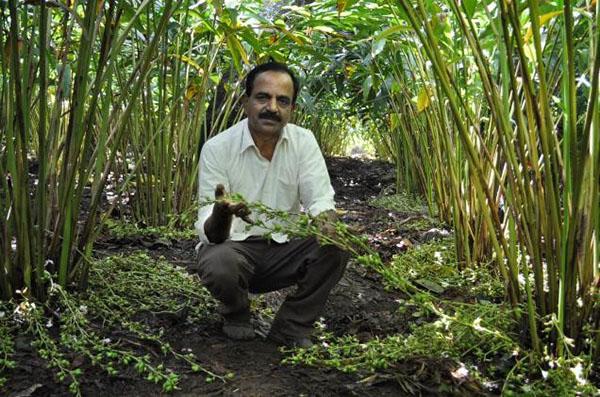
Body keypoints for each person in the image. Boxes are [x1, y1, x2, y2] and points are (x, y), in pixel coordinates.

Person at [194, 62, 349, 348]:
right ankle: (236, 313)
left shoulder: (304, 142)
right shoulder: (217, 148)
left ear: (292, 109)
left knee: (338, 246)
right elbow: (212, 236)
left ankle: (291, 327)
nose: (272, 108)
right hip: (235, 250)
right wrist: (222, 212)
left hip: (285, 249)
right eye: (263, 97)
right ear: (245, 103)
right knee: (219, 263)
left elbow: (319, 200)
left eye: (282, 101)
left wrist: (329, 227)